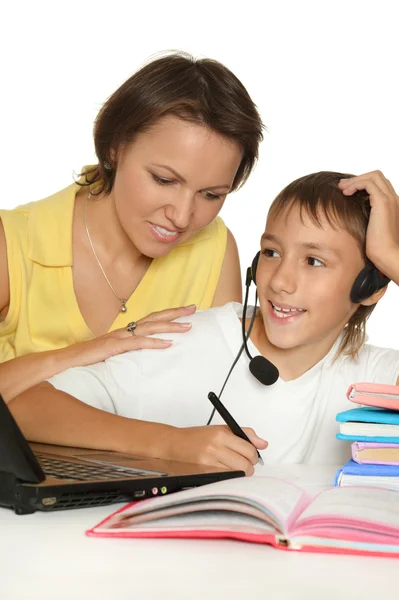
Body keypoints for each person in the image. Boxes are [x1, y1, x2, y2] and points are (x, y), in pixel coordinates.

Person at [8, 170, 399, 475]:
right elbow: (24, 407)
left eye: (313, 261)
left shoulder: (379, 376)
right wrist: (169, 444)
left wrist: (392, 258)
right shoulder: (186, 337)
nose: (279, 281)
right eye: (272, 252)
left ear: (370, 285)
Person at [0, 51, 264, 399]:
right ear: (115, 148)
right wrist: (93, 352)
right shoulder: (12, 242)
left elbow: (227, 393)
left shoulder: (214, 248)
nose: (183, 217)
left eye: (211, 195)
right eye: (164, 180)